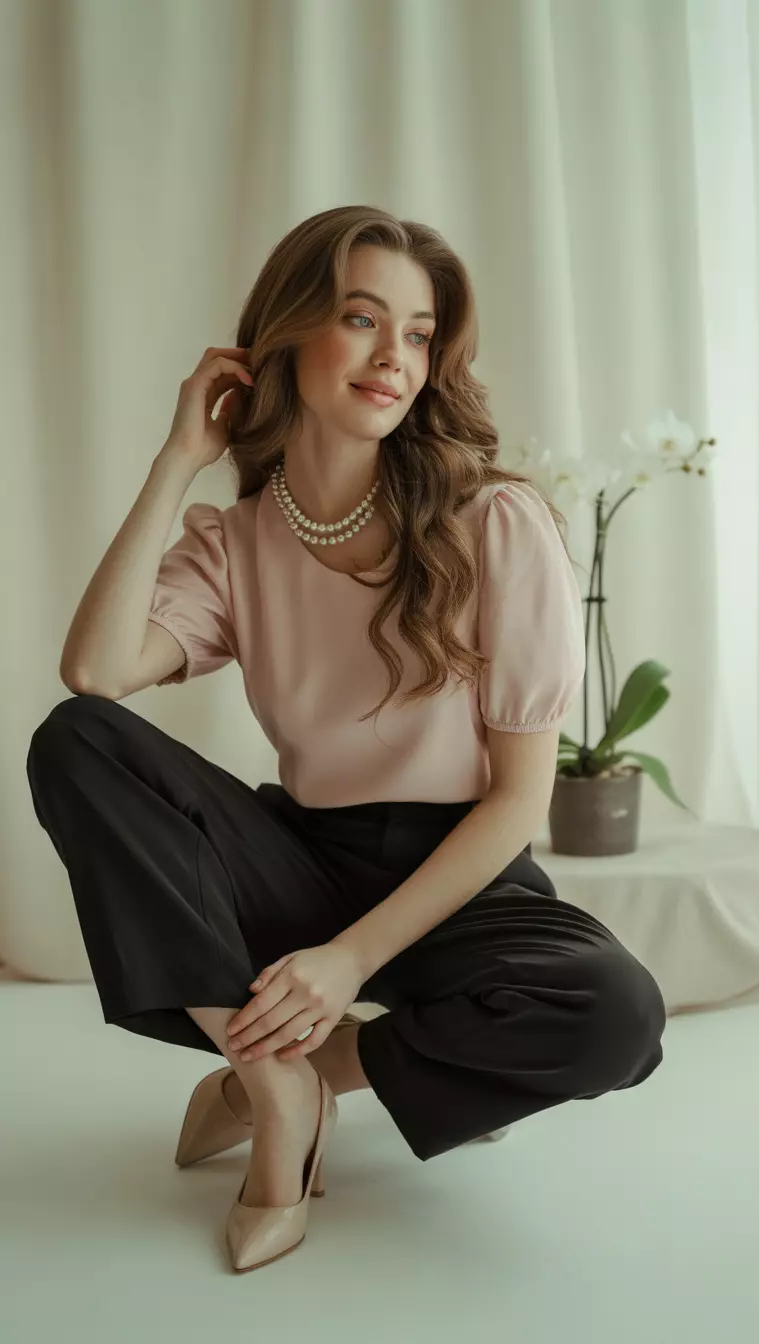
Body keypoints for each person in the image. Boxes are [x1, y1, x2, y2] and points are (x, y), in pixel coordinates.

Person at [26, 205, 667, 1274]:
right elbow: (94, 672)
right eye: (362, 319)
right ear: (286, 335)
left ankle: (317, 1065)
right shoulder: (237, 542)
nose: (394, 359)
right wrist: (178, 458)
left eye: (418, 334)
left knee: (617, 1014)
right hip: (306, 857)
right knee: (77, 741)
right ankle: (276, 1088)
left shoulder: (496, 522)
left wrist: (346, 966)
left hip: (460, 874)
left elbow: (516, 801)